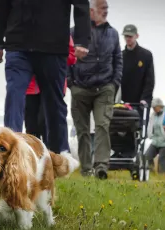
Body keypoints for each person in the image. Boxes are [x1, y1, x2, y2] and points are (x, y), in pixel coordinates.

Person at [0, 0, 91, 155]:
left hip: (53, 47)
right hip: (18, 44)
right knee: (14, 93)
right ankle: (8, 150)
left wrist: (82, 40)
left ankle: (59, 154)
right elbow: (1, 4)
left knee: (54, 102)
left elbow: (81, 4)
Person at [68, 0, 122, 179]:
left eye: (107, 8)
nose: (105, 11)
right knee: (82, 130)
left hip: (104, 88)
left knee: (102, 126)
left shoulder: (113, 34)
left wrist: (114, 84)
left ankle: (101, 168)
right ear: (91, 11)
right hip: (80, 88)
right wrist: (71, 83)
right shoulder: (74, 32)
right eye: (102, 8)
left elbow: (118, 60)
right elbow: (66, 57)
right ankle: (86, 168)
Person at [24, 36, 77, 143]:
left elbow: (72, 56)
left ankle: (51, 154)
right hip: (30, 86)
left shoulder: (59, 27)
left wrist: (50, 58)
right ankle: (34, 155)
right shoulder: (26, 26)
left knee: (46, 122)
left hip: (52, 85)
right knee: (31, 126)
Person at [120, 24, 155, 128]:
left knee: (138, 129)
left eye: (130, 36)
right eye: (126, 36)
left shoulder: (146, 55)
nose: (128, 38)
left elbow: (150, 80)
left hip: (140, 102)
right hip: (124, 101)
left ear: (136, 36)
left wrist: (145, 98)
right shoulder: (120, 56)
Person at [145, 98, 165, 174]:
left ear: (160, 106)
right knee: (147, 156)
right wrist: (149, 135)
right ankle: (150, 173)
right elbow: (150, 126)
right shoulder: (153, 115)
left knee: (162, 163)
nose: (153, 109)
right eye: (152, 107)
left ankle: (162, 178)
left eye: (155, 107)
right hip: (156, 141)